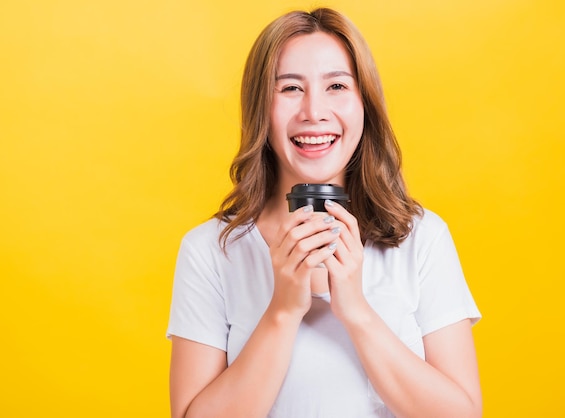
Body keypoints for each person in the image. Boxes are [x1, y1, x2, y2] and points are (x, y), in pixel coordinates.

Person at [167, 7, 482, 418]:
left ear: (364, 103)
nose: (313, 112)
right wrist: (283, 310)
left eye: (336, 85)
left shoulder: (421, 238)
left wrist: (355, 309)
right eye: (290, 89)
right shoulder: (211, 250)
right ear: (261, 107)